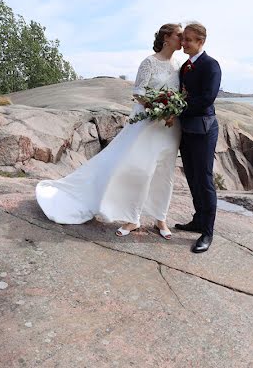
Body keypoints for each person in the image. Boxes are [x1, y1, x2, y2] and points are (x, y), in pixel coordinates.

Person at [35, 23, 183, 238]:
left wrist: (171, 112)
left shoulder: (179, 65)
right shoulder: (149, 63)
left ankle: (161, 219)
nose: (182, 38)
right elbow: (139, 93)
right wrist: (156, 110)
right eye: (179, 35)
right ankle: (133, 219)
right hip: (148, 124)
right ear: (166, 38)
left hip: (170, 127)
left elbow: (180, 94)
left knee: (165, 173)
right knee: (140, 171)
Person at [174, 22, 222, 253]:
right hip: (187, 129)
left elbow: (206, 99)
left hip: (204, 129)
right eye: (183, 39)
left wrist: (176, 108)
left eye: (189, 40)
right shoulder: (185, 66)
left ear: (201, 42)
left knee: (204, 179)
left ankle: (208, 232)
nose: (184, 43)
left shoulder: (211, 65)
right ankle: (198, 220)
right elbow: (184, 92)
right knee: (192, 177)